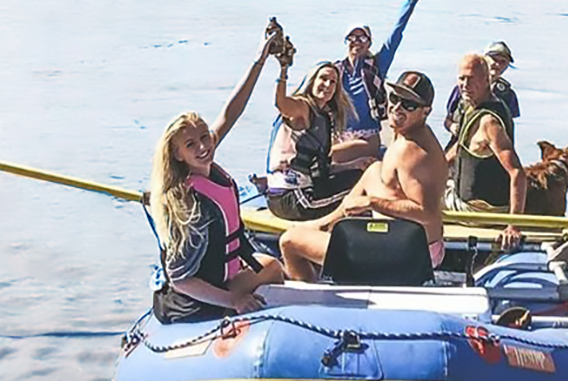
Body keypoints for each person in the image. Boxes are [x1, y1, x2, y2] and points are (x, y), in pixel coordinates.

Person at [149, 36, 286, 322]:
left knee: (272, 266)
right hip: (198, 296)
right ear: (177, 155)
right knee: (270, 268)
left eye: (204, 137)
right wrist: (233, 300)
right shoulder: (189, 204)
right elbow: (180, 278)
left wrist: (260, 60)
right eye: (191, 145)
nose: (202, 146)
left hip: (224, 275)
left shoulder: (204, 163)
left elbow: (232, 111)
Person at [279, 71, 448, 281]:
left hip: (406, 255)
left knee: (289, 241)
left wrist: (370, 202)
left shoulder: (412, 152)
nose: (397, 107)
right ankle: (327, 223)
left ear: (425, 111)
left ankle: (312, 301)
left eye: (409, 104)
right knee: (374, 169)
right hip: (412, 244)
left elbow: (427, 212)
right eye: (394, 98)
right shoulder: (412, 135)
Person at [265, 58, 378, 221]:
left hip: (299, 192)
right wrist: (283, 70)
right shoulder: (302, 108)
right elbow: (281, 104)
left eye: (333, 82)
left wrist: (354, 164)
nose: (328, 85)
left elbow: (319, 171)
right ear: (311, 81)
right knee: (363, 191)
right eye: (323, 79)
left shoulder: (322, 116)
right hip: (293, 199)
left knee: (361, 174)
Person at [336, 0, 428, 163]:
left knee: (328, 156)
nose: (356, 42)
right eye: (352, 38)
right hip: (341, 135)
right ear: (346, 42)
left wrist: (411, 1)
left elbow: (396, 34)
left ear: (369, 43)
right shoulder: (336, 70)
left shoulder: (376, 66)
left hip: (367, 138)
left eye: (362, 38)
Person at [444, 52, 529, 251]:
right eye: (461, 78)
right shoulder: (471, 107)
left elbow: (517, 173)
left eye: (471, 79)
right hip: (462, 198)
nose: (465, 84)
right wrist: (434, 166)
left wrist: (513, 225)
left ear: (486, 80)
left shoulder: (490, 122)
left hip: (476, 211)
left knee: (411, 199)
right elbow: (460, 147)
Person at [442, 39, 519, 134]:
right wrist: (452, 127)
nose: (498, 64)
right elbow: (448, 119)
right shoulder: (463, 88)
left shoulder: (508, 94)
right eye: (494, 59)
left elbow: (509, 126)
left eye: (503, 61)